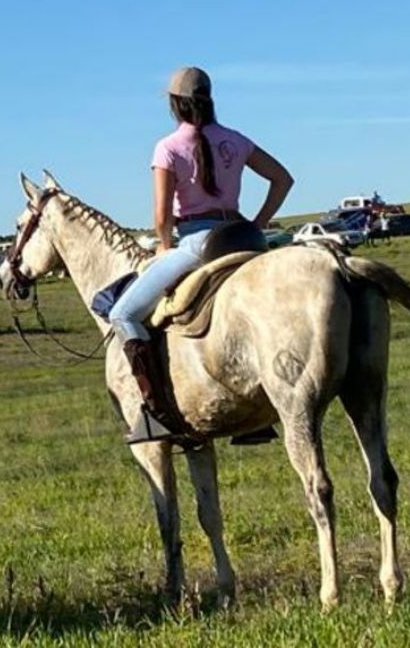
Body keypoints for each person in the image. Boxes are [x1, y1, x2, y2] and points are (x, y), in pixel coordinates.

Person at [107, 67, 292, 444]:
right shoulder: (236, 140)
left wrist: (162, 244)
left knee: (123, 313)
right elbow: (283, 178)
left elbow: (161, 216)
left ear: (174, 105)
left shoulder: (167, 147)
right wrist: (258, 223)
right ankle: (259, 419)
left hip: (195, 243)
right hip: (241, 238)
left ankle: (157, 414)